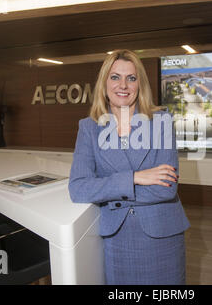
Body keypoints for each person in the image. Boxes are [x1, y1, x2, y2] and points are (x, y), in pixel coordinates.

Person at [68, 49, 190, 285]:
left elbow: (165, 189)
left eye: (131, 78)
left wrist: (108, 190)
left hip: (161, 234)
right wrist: (134, 177)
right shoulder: (89, 128)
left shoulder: (161, 121)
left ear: (139, 84)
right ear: (104, 83)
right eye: (115, 77)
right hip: (118, 236)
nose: (123, 85)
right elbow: (79, 188)